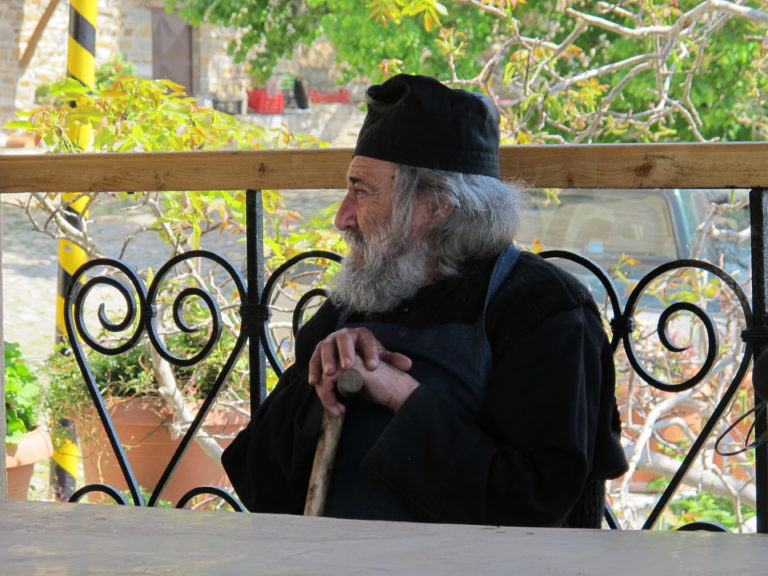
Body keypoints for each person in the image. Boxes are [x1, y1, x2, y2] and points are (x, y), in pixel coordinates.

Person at [222, 74, 628, 528]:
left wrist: (401, 396)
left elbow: (535, 505)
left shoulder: (542, 309)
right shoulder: (358, 300)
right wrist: (324, 382)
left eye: (362, 190)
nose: (342, 217)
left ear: (437, 206)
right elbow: (258, 479)